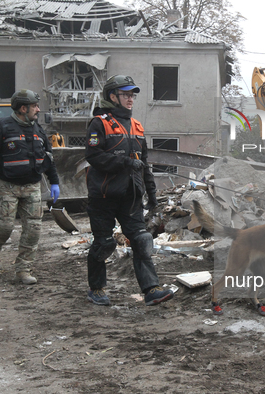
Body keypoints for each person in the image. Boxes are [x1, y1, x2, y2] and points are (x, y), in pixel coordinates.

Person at [84, 74, 173, 306]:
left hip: (131, 195)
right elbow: (93, 156)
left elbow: (144, 164)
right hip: (103, 195)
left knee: (142, 239)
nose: (130, 98)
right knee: (104, 243)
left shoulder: (137, 126)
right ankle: (96, 288)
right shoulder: (99, 123)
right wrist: (123, 162)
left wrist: (151, 194)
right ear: (112, 97)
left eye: (132, 94)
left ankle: (151, 289)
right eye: (126, 94)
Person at [0, 89, 60, 284]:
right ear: (23, 108)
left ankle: (23, 270)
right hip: (6, 186)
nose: (38, 110)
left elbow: (49, 159)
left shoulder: (39, 131)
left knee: (33, 230)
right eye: (35, 106)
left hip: (32, 187)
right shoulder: (2, 128)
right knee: (5, 227)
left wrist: (54, 182)